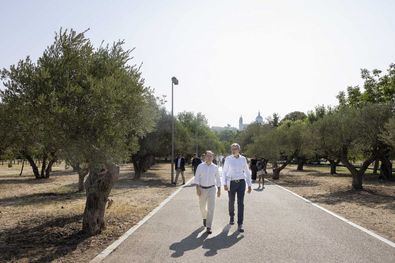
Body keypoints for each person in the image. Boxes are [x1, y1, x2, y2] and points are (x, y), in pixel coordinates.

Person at [223, 143, 252, 233]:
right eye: (232, 149)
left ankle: (240, 223)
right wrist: (224, 183)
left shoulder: (243, 159)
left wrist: (249, 184)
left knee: (241, 203)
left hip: (241, 183)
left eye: (235, 148)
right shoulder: (228, 159)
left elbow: (247, 172)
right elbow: (224, 171)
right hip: (231, 183)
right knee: (231, 201)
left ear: (239, 149)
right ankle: (231, 216)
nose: (233, 150)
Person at [194, 150, 221, 234]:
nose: (209, 157)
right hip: (202, 189)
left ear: (213, 157)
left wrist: (219, 189)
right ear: (205, 157)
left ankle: (209, 226)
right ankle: (204, 218)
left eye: (210, 156)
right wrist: (197, 188)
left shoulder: (215, 167)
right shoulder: (200, 166)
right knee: (202, 207)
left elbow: (218, 179)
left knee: (211, 208)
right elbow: (197, 178)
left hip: (212, 189)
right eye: (207, 156)